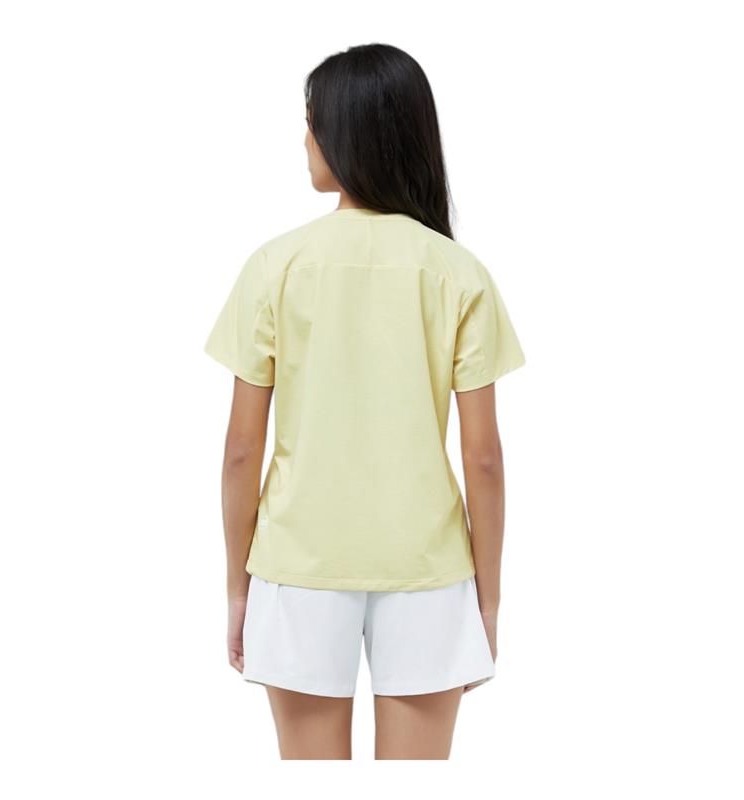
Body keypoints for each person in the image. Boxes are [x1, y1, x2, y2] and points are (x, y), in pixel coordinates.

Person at [204, 43, 526, 760]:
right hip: (428, 569)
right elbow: (484, 459)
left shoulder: (275, 266)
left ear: (346, 133)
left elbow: (240, 453)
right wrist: (489, 598)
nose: (305, 140)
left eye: (311, 121)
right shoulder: (458, 273)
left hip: (298, 565)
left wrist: (236, 587)